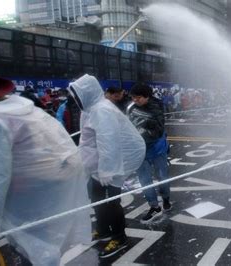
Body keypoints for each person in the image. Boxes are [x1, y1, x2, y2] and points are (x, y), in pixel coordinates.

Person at [0, 70, 91, 265]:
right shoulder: (23, 108)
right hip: (46, 188)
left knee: (32, 249)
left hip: (24, 195)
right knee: (42, 245)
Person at [68, 74, 146, 259]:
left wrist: (107, 170)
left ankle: (119, 237)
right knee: (96, 197)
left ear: (86, 93)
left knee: (112, 201)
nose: (75, 99)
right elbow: (87, 140)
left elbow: (108, 142)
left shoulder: (102, 110)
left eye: (77, 94)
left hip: (118, 160)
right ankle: (103, 229)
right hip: (100, 163)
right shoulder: (89, 109)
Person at [127, 83, 171, 224]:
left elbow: (158, 131)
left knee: (162, 176)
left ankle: (166, 199)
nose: (135, 100)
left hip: (157, 149)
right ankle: (154, 206)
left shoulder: (156, 107)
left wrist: (141, 132)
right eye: (133, 98)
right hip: (140, 151)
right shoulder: (132, 108)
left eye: (138, 98)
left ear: (147, 96)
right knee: (145, 180)